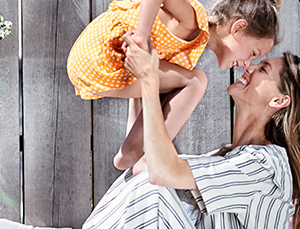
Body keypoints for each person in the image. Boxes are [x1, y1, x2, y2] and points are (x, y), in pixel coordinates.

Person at [82, 33, 300, 229]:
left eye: (263, 69)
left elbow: (161, 173)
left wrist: (150, 79)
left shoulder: (265, 165)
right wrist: (140, 75)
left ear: (279, 100)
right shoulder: (227, 157)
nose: (249, 67)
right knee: (149, 178)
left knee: (154, 189)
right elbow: (144, 163)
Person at [67, 0, 282, 170]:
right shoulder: (191, 22)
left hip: (88, 64)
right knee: (196, 81)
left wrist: (136, 28)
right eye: (253, 53)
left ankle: (131, 152)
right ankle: (150, 158)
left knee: (173, 81)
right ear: (237, 28)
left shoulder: (191, 42)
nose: (247, 63)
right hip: (99, 60)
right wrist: (140, 37)